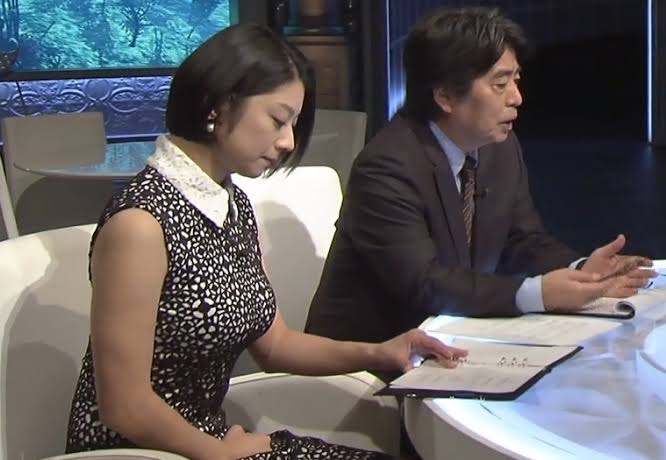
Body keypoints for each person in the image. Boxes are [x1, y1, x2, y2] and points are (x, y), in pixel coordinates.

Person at [65, 23, 467, 460]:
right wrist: (220, 454)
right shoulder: (140, 223)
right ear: (217, 103)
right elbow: (125, 406)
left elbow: (275, 345)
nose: (288, 141)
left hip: (211, 442)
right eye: (278, 120)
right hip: (144, 451)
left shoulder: (231, 203)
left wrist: (383, 351)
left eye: (293, 124)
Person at [305, 7, 655, 346]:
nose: (517, 98)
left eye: (516, 80)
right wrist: (538, 293)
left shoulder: (498, 147)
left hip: (452, 340)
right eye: (500, 84)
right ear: (445, 96)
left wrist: (582, 271)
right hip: (366, 361)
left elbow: (523, 241)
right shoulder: (386, 168)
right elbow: (423, 283)